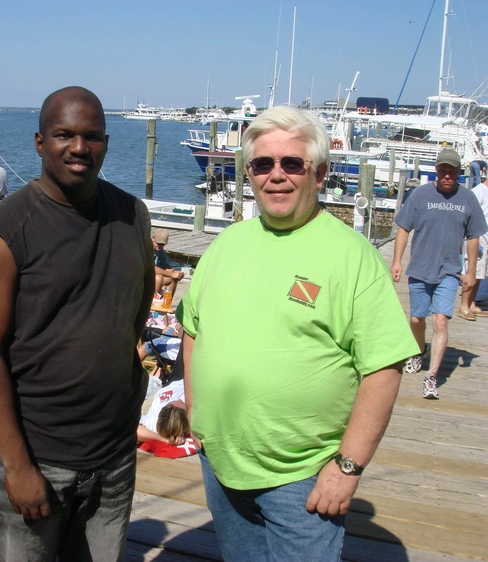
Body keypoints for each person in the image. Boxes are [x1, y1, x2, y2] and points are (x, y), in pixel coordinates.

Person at [178, 106, 419, 561]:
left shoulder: (353, 256)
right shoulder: (226, 245)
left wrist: (347, 468)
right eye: (262, 164)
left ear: (320, 172)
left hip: (303, 477)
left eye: (292, 163)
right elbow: (193, 328)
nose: (276, 175)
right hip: (221, 462)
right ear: (249, 174)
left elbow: (384, 367)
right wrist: (197, 409)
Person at [0, 86, 154, 562]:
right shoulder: (3, 233)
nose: (79, 147)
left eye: (92, 136)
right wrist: (17, 465)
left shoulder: (133, 215)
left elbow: (138, 304)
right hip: (36, 453)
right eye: (64, 134)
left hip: (112, 453)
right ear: (39, 142)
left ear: (106, 142)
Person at [391, 148, 488, 399]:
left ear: (459, 173)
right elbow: (403, 228)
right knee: (416, 319)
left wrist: (470, 272)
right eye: (443, 171)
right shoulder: (420, 195)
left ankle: (431, 376)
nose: (447, 176)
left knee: (441, 320)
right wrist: (397, 261)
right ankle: (419, 349)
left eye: (452, 172)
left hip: (450, 271)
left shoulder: (467, 199)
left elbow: (474, 236)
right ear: (436, 170)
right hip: (420, 268)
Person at [458, 172, 488, 319]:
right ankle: (464, 306)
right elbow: (468, 214)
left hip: (486, 239)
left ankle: (472, 304)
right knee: (472, 270)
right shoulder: (479, 191)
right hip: (477, 237)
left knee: (481, 274)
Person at [137, 378, 189, 445]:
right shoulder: (155, 420)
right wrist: (166, 440)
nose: (176, 400)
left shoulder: (153, 422)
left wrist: (163, 439)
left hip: (165, 388)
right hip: (177, 384)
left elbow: (132, 431)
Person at [152, 228, 184, 295]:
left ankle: (166, 304)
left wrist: (175, 272)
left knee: (172, 279)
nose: (160, 246)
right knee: (158, 278)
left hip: (151, 277)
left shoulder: (160, 251)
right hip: (140, 278)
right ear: (153, 238)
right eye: (159, 243)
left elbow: (167, 265)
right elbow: (151, 268)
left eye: (163, 244)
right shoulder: (146, 248)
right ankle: (153, 303)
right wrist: (171, 274)